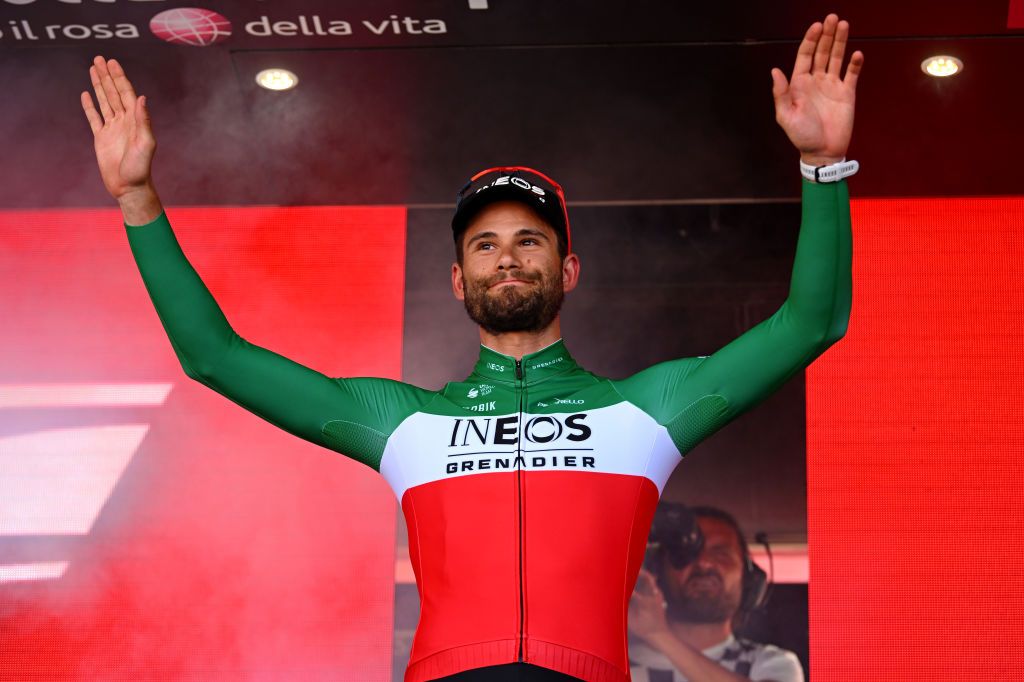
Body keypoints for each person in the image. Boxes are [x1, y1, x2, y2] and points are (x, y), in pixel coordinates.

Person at [80, 13, 862, 682]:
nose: (509, 257)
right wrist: (139, 201)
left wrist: (823, 167)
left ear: (570, 268)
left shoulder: (646, 409)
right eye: (485, 246)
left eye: (531, 240)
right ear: (458, 280)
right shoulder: (401, 420)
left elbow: (810, 324)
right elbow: (213, 355)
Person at [628, 506, 803, 682]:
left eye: (721, 553)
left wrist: (659, 635)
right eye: (686, 555)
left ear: (749, 579)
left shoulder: (772, 663)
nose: (704, 563)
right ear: (659, 572)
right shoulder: (616, 665)